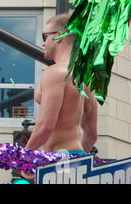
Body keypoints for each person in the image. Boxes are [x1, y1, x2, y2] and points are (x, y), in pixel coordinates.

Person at [21, 13, 98, 180]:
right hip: (77, 157)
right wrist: (77, 160)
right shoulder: (86, 78)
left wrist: (25, 157)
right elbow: (91, 135)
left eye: (45, 36)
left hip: (59, 160)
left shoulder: (55, 73)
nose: (43, 43)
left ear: (59, 36)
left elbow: (45, 126)